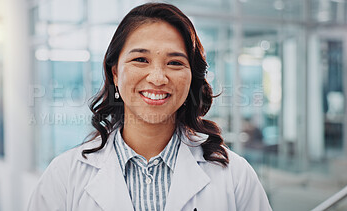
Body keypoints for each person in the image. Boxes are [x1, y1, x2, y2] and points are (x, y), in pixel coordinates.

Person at [28, 3, 272, 211]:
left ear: (191, 77)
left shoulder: (235, 176)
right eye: (140, 60)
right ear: (115, 73)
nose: (157, 78)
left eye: (174, 62)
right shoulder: (64, 176)